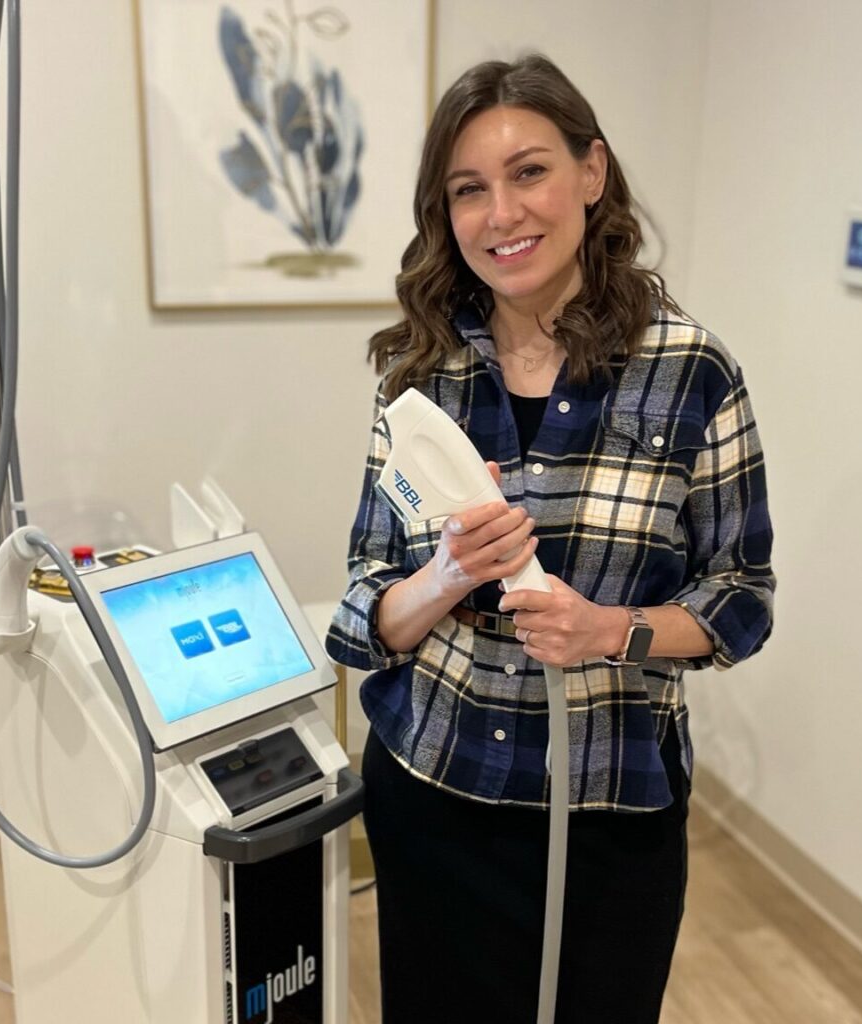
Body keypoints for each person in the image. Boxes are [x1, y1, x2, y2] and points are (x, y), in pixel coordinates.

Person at [326, 53, 774, 1024]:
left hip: (608, 812)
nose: (502, 213)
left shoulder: (691, 373)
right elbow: (362, 610)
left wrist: (609, 630)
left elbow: (740, 599)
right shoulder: (423, 371)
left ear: (591, 173)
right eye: (468, 190)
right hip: (433, 792)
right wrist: (445, 576)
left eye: (529, 171)